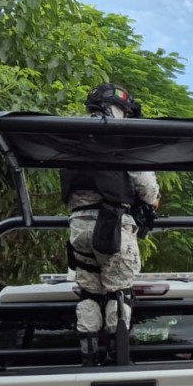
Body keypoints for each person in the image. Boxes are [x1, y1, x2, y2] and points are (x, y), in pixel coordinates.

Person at [61, 83, 161, 365]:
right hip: (113, 224)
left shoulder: (71, 138)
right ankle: (118, 358)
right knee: (119, 292)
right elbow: (145, 183)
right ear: (118, 108)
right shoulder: (120, 136)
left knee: (90, 292)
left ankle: (89, 358)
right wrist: (152, 201)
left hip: (78, 225)